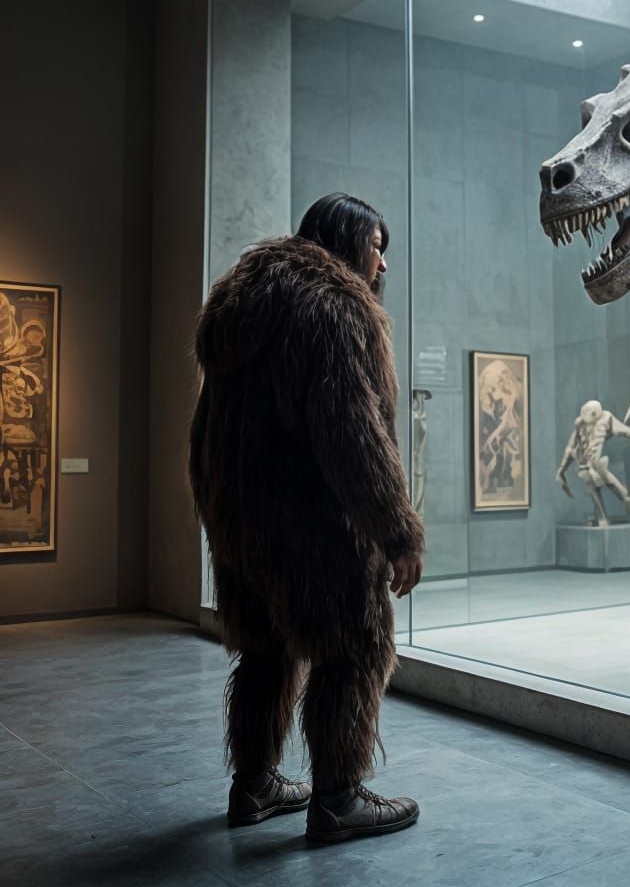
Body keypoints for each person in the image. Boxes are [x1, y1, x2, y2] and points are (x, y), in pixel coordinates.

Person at [189, 192, 425, 844]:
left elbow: (204, 430)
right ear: (346, 241)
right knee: (355, 645)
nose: (382, 265)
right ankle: (339, 797)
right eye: (375, 247)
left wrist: (217, 517)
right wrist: (398, 530)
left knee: (264, 649)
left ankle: (254, 784)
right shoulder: (334, 306)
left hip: (241, 525)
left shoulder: (239, 304)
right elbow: (351, 432)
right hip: (313, 522)